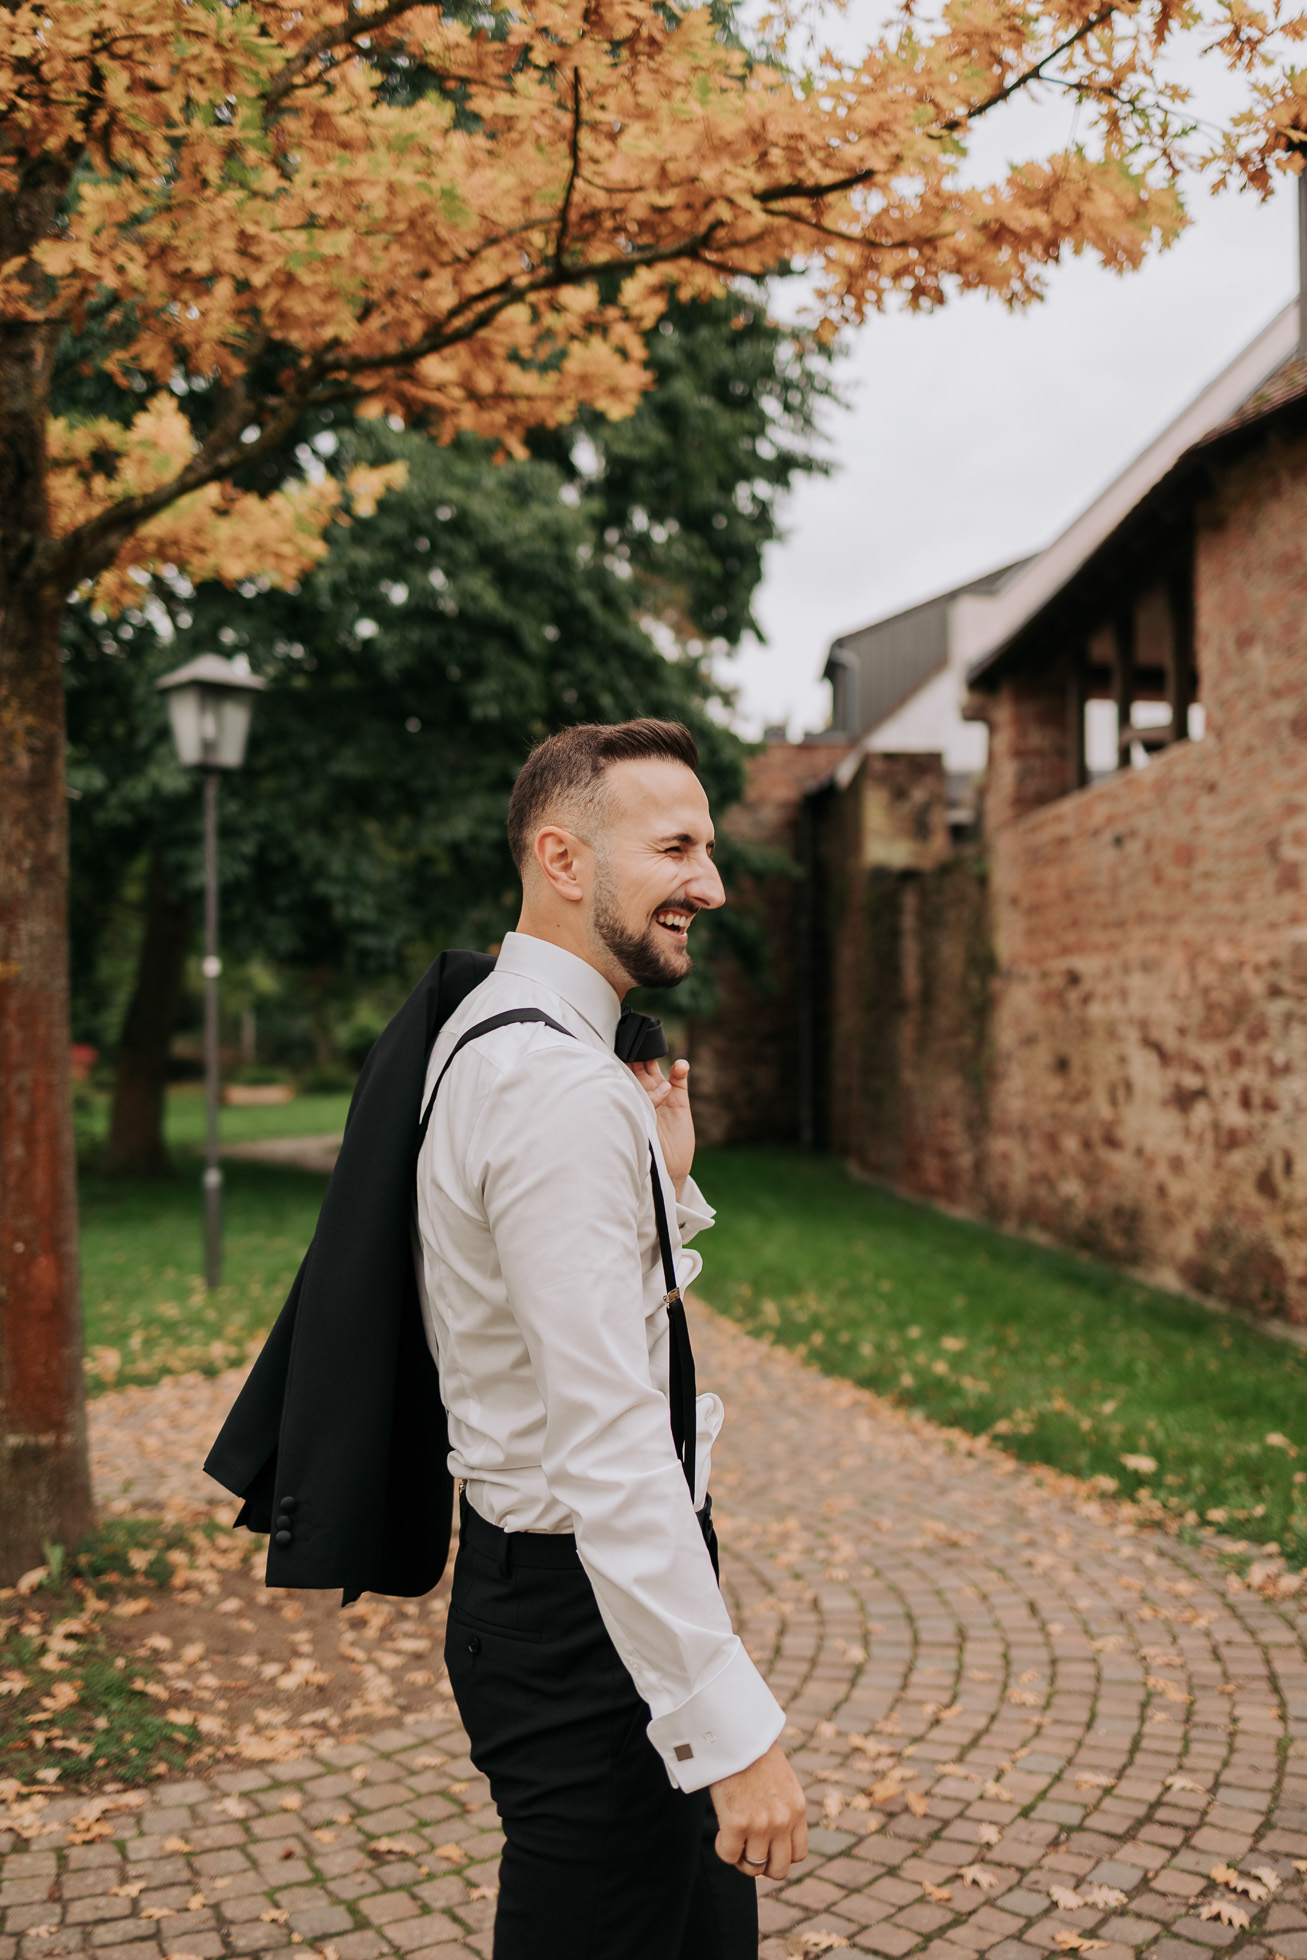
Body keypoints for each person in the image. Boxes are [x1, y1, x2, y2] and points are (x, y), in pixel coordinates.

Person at [413, 718, 808, 1959]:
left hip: (576, 1602)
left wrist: (661, 1183)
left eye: (710, 848)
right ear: (563, 858)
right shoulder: (555, 1085)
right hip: (582, 1623)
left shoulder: (514, 1036)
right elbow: (607, 1440)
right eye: (676, 847)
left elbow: (542, 1307)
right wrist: (728, 1730)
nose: (711, 883)